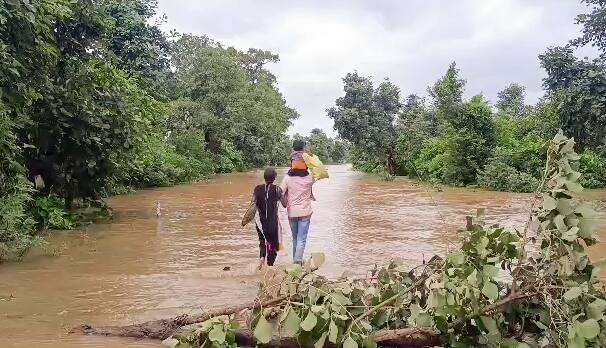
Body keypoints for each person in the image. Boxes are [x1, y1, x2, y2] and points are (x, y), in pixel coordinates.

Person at [280, 139, 315, 264]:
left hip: (292, 213)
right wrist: (310, 158)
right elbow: (318, 171)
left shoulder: (287, 178)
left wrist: (285, 203)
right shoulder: (310, 178)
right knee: (302, 239)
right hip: (305, 212)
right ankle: (297, 262)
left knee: (295, 239)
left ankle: (295, 262)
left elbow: (280, 192)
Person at [253, 168, 283, 269]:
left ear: (264, 177)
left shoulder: (257, 189)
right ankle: (270, 266)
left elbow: (252, 206)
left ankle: (262, 258)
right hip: (272, 223)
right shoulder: (278, 189)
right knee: (273, 244)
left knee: (262, 241)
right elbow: (285, 204)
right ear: (274, 178)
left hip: (260, 222)